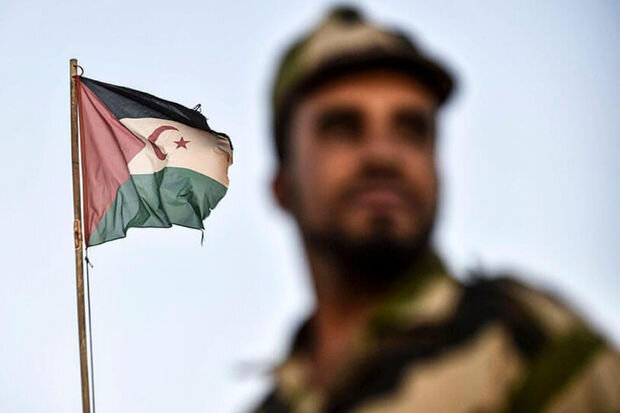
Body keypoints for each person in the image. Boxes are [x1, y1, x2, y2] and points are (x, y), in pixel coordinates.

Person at [251, 6, 620, 413]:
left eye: (412, 129)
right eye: (342, 128)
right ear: (282, 187)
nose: (383, 155)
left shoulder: (524, 344)